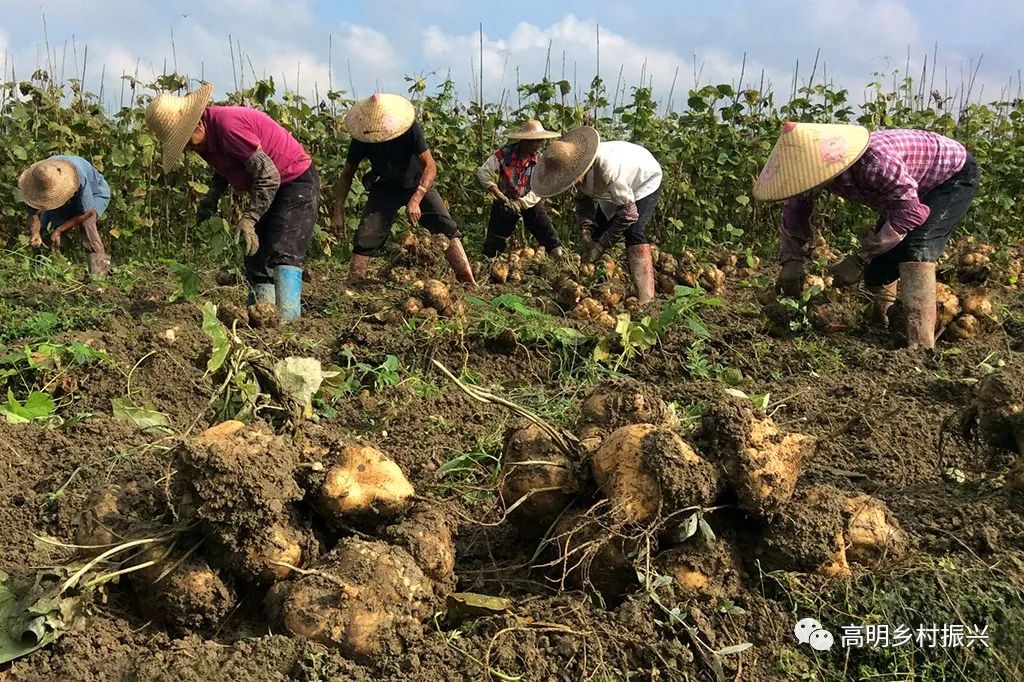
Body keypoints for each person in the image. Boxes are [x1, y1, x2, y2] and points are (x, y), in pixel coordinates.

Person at [753, 122, 979, 348]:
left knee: (917, 247)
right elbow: (796, 211)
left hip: (951, 176)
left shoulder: (873, 163)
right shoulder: (811, 172)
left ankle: (921, 346)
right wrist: (791, 261)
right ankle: (881, 323)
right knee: (879, 265)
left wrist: (858, 259)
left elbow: (911, 213)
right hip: (908, 187)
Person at [145, 83, 320, 322]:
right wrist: (211, 197)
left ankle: (289, 323)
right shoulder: (205, 139)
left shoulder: (227, 126)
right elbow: (226, 166)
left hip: (294, 180)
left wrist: (249, 218)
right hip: (268, 184)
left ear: (197, 124)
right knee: (255, 255)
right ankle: (264, 319)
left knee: (283, 250)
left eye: (187, 141)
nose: (189, 148)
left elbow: (269, 175)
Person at [330, 93, 476, 285]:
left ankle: (467, 280)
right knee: (367, 233)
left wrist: (417, 198)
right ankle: (354, 281)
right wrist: (338, 210)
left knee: (445, 225)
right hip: (386, 185)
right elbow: (347, 173)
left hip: (417, 181)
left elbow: (430, 166)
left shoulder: (409, 129)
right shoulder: (363, 136)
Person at [530, 127, 663, 304]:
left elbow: (628, 214)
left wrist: (600, 247)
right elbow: (582, 201)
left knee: (634, 231)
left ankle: (646, 300)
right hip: (611, 191)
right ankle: (596, 290)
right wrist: (586, 229)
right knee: (597, 232)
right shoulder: (576, 174)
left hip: (643, 180)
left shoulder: (607, 167)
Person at [475, 119, 563, 257]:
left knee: (551, 240)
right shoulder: (504, 155)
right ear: (525, 140)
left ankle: (558, 262)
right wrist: (499, 195)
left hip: (529, 203)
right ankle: (489, 263)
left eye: (540, 141)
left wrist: (521, 203)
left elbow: (539, 190)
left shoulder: (539, 162)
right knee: (492, 249)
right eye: (535, 141)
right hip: (505, 202)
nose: (538, 145)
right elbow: (483, 173)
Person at [19, 155, 112, 277]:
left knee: (87, 226)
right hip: (64, 197)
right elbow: (33, 213)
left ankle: (99, 272)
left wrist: (59, 230)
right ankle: (44, 267)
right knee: (46, 226)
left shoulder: (78, 177)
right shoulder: (41, 174)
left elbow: (87, 212)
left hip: (95, 192)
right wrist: (35, 232)